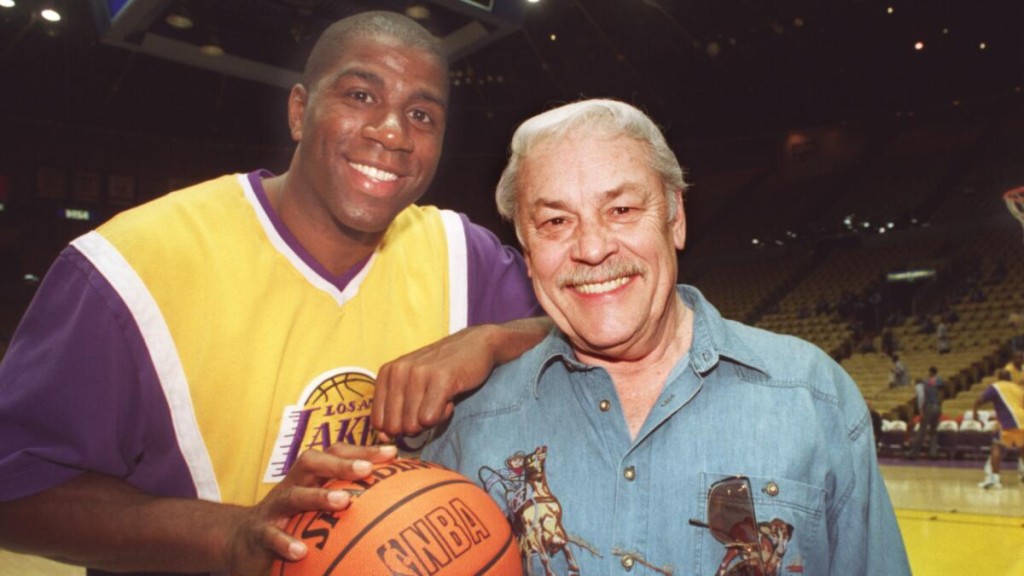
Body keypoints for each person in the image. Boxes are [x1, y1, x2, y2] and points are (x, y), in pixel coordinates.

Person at [0, 12, 547, 576]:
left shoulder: (463, 254)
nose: (392, 133)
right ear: (298, 112)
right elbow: (15, 490)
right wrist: (229, 535)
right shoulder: (129, 265)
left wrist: (493, 338)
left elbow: (585, 330)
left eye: (421, 115)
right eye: (360, 95)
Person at [422, 99, 910, 575]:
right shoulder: (468, 426)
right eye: (555, 221)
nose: (592, 248)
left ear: (675, 219)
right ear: (528, 254)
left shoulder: (813, 397)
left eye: (621, 209)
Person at [974, 370, 1024, 489]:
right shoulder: (1017, 388)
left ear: (998, 377)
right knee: (1022, 447)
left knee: (997, 447)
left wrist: (975, 411)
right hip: (1022, 419)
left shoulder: (996, 386)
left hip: (1009, 421)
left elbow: (980, 400)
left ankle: (994, 479)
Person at [907, 367, 943, 460]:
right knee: (933, 431)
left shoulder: (921, 385)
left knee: (921, 431)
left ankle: (913, 453)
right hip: (937, 407)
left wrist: (920, 410)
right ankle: (933, 453)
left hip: (928, 407)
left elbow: (921, 397)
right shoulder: (936, 382)